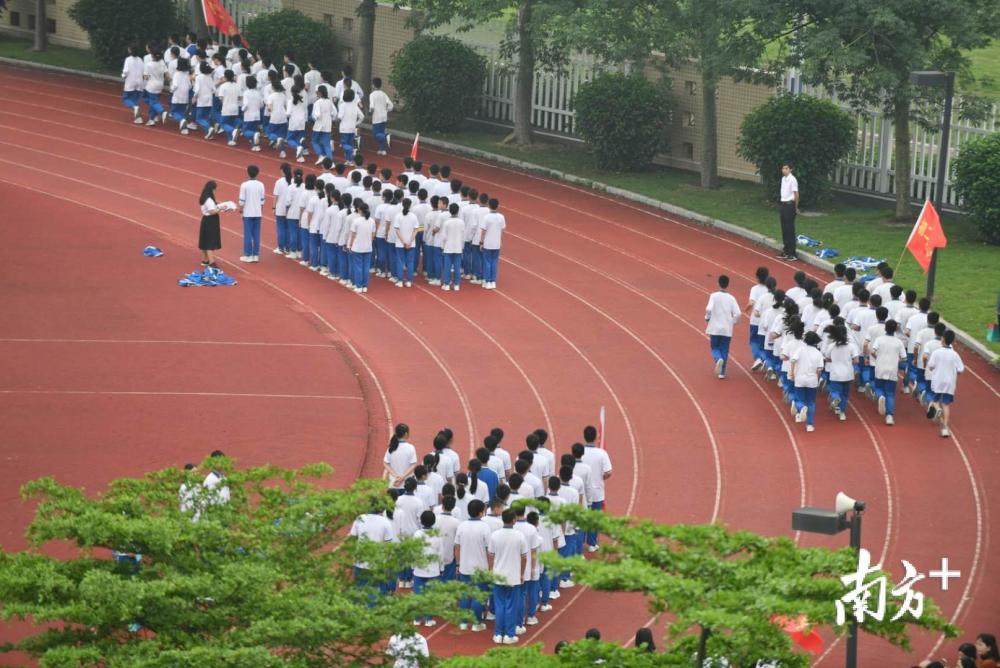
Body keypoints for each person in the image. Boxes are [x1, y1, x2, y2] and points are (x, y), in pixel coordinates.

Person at [488, 508, 528, 645]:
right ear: (514, 520)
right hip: (513, 576)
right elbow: (524, 557)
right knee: (511, 606)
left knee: (499, 605)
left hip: (498, 575)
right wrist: (522, 574)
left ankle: (498, 634)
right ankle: (509, 635)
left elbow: (491, 555)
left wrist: (490, 570)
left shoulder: (494, 535)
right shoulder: (519, 536)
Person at [454, 499, 491, 632]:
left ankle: (463, 622)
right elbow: (489, 549)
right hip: (480, 567)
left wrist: (458, 563)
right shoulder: (485, 527)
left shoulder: (462, 526)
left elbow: (457, 547)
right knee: (478, 596)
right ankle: (476, 623)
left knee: (465, 595)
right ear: (481, 512)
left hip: (465, 566)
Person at [926, 330, 964, 438]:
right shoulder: (955, 354)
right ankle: (945, 428)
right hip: (950, 382)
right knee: (946, 405)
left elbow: (931, 366)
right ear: (952, 341)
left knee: (934, 400)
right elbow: (961, 369)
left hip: (938, 381)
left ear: (942, 339)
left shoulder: (936, 352)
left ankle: (937, 410)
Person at [580, 426, 611, 552]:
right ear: (596, 437)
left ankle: (580, 544)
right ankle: (592, 543)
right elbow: (608, 471)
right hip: (597, 490)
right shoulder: (602, 453)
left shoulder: (579, 451)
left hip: (581, 490)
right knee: (594, 516)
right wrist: (602, 477)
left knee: (581, 516)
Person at [411, 510, 444, 626]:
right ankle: (429, 619)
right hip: (433, 570)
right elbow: (440, 554)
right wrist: (442, 568)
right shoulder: (437, 535)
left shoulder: (417, 534)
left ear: (421, 521)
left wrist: (412, 566)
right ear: (434, 521)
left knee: (418, 594)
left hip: (419, 569)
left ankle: (417, 618)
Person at [704, 274, 741, 379]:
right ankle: (722, 373)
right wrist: (733, 321)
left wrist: (707, 317)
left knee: (715, 347)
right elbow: (738, 313)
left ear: (718, 283)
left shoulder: (713, 296)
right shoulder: (732, 298)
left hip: (715, 327)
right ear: (728, 285)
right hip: (727, 328)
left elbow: (709, 309)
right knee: (725, 349)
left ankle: (718, 358)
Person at [871, 320, 906, 425]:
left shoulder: (879, 339)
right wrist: (896, 361)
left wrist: (877, 358)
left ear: (885, 328)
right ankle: (889, 416)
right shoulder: (898, 342)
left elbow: (872, 351)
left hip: (880, 368)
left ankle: (880, 396)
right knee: (890, 393)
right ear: (895, 329)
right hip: (892, 370)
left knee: (878, 388)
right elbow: (904, 357)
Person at [791, 331, 825, 432]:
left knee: (799, 399)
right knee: (811, 402)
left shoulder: (800, 350)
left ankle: (801, 408)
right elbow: (819, 370)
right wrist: (817, 379)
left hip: (800, 379)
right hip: (812, 380)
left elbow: (793, 361)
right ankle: (809, 425)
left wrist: (792, 373)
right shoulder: (818, 353)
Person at [197, 181, 229, 268]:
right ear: (212, 189)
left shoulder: (204, 197)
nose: (215, 192)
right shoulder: (208, 199)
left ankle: (205, 260)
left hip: (206, 220)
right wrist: (222, 208)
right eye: (215, 190)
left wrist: (219, 207)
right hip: (210, 221)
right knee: (210, 242)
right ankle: (212, 263)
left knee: (205, 240)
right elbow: (212, 211)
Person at [238, 165, 265, 263]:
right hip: (258, 213)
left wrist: (241, 211)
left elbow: (242, 201)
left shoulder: (244, 185)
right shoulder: (261, 184)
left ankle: (247, 254)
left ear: (248, 173)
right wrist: (260, 211)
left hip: (248, 213)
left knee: (248, 234)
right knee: (257, 234)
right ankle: (256, 255)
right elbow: (262, 201)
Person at [478, 198, 506, 289]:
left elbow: (483, 231)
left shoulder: (486, 217)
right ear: (497, 206)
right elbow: (503, 230)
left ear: (489, 206)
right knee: (494, 262)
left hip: (488, 243)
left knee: (487, 262)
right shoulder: (501, 217)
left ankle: (487, 281)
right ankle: (493, 281)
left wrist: (481, 242)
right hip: (496, 243)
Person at [349, 204, 376, 293]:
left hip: (357, 247)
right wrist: (369, 242)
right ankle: (365, 285)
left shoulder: (356, 221)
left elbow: (353, 235)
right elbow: (373, 235)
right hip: (368, 247)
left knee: (358, 267)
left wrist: (350, 245)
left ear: (360, 210)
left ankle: (358, 285)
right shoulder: (372, 221)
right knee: (366, 267)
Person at [392, 198, 419, 287]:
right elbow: (416, 230)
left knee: (400, 262)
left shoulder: (398, 216)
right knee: (410, 262)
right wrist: (410, 241)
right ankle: (409, 281)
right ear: (410, 205)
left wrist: (403, 242)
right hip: (411, 244)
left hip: (400, 243)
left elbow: (397, 230)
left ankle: (400, 281)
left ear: (402, 204)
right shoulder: (414, 216)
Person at [440, 202, 466, 291]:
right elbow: (463, 236)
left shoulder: (447, 222)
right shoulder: (461, 222)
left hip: (448, 247)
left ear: (450, 211)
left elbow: (444, 236)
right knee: (457, 267)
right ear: (458, 211)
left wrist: (442, 247)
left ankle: (446, 284)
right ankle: (456, 285)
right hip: (458, 247)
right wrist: (462, 246)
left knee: (447, 266)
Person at [384, 424, 418, 488]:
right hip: (407, 485)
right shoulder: (411, 448)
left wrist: (396, 476)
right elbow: (413, 465)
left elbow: (385, 463)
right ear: (405, 434)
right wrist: (402, 477)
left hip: (393, 483)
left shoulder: (391, 448)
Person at [778, 163, 799, 260]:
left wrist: (795, 207)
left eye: (786, 168)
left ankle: (792, 253)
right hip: (783, 204)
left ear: (790, 169)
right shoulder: (783, 179)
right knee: (784, 229)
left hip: (790, 205)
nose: (784, 170)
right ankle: (786, 250)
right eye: (783, 168)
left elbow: (796, 194)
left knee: (790, 229)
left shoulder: (792, 179)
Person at [141, 50, 168, 127]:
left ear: (152, 56)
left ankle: (162, 111)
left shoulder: (149, 65)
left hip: (151, 86)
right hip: (160, 85)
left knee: (151, 101)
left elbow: (146, 77)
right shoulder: (162, 63)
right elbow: (166, 74)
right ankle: (151, 119)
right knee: (154, 101)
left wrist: (143, 76)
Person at [338, 89, 365, 161]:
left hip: (344, 128)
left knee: (344, 145)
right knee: (349, 143)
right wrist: (356, 123)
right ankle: (349, 160)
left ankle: (352, 150)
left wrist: (338, 121)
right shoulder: (355, 106)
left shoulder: (342, 105)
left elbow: (340, 117)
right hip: (352, 128)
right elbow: (362, 116)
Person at [369, 77, 394, 155]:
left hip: (376, 117)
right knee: (381, 132)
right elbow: (391, 105)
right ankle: (382, 149)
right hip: (384, 116)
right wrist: (387, 110)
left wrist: (370, 112)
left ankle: (386, 137)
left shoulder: (372, 95)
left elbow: (372, 107)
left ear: (373, 85)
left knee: (375, 134)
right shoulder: (384, 94)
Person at [311, 85, 336, 164]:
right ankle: (330, 161)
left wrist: (313, 117)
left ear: (320, 93)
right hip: (327, 125)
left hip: (319, 125)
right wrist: (330, 118)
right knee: (326, 144)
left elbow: (317, 114)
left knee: (314, 141)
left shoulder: (317, 103)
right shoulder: (329, 102)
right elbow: (335, 113)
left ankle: (321, 155)